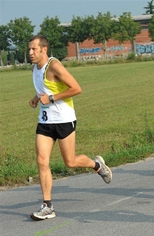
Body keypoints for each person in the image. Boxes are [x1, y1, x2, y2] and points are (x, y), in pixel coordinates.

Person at [28, 35, 112, 221]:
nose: (30, 53)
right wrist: (36, 97)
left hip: (64, 120)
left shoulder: (54, 66)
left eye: (34, 49)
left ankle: (97, 165)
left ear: (44, 49)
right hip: (45, 122)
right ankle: (47, 205)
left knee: (71, 162)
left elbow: (76, 88)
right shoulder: (35, 68)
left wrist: (50, 99)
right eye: (29, 49)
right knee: (42, 161)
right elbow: (45, 87)